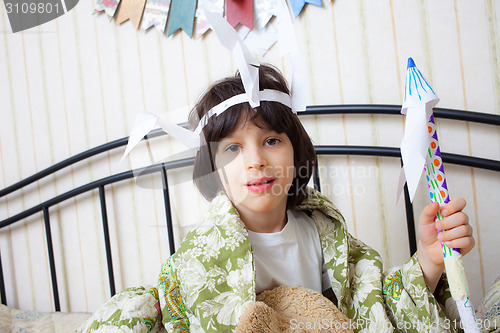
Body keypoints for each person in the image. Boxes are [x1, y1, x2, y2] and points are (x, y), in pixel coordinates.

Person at [157, 64, 475, 332]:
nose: (255, 160)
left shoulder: (321, 230)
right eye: (232, 148)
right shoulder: (202, 257)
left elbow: (370, 309)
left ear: (296, 151)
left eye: (270, 140)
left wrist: (429, 259)